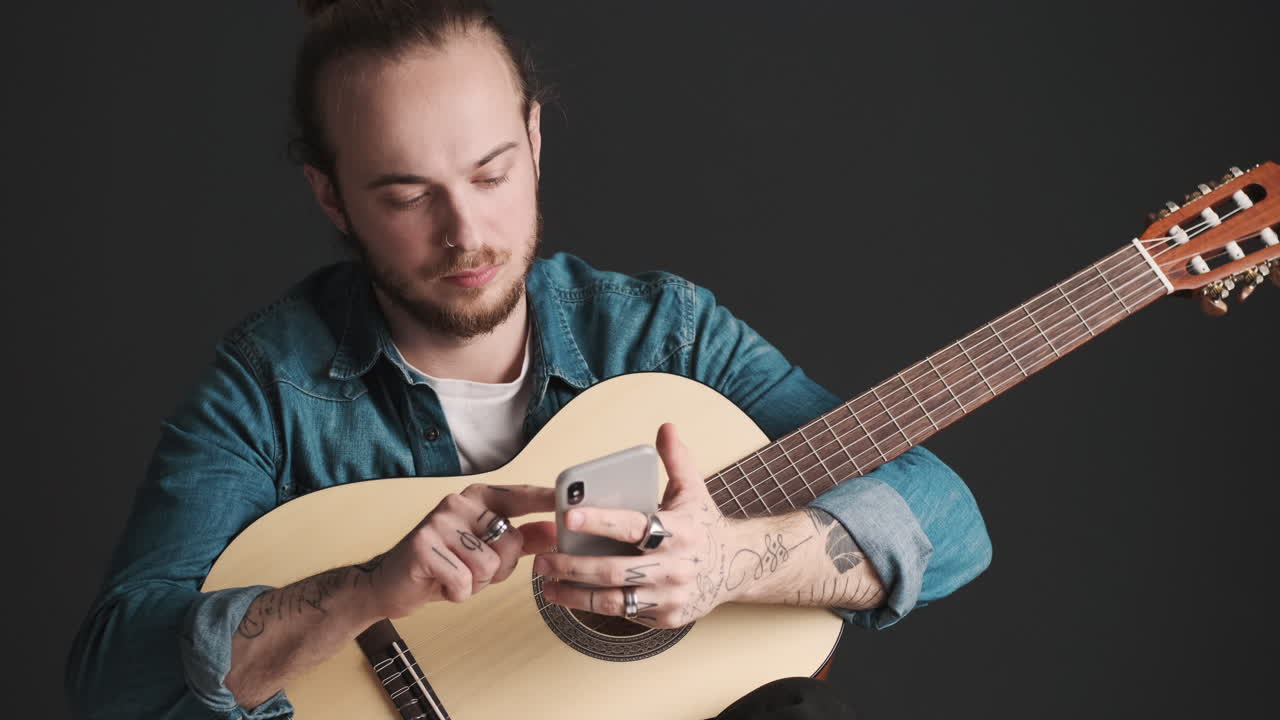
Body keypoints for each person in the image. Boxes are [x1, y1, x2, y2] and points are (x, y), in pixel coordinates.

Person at [64, 1, 993, 718]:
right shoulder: (268, 388)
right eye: (405, 194)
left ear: (537, 141)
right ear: (331, 195)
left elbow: (947, 522)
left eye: (492, 173)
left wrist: (728, 564)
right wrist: (364, 591)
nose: (465, 232)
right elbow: (112, 678)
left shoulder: (663, 334)